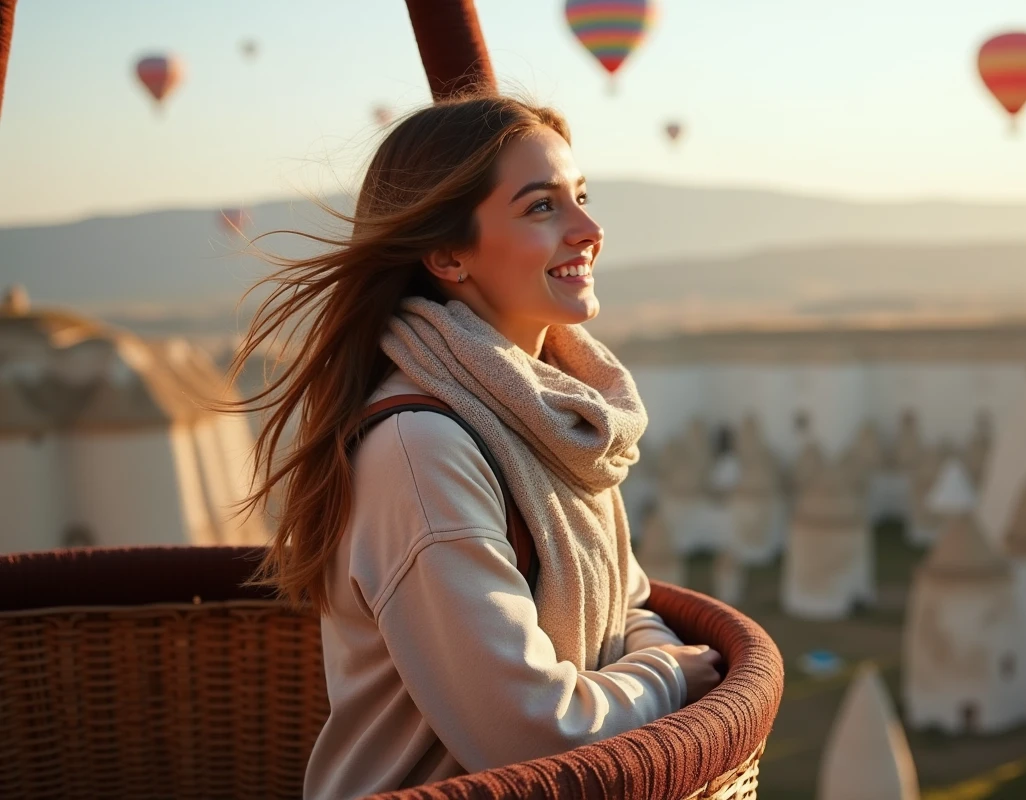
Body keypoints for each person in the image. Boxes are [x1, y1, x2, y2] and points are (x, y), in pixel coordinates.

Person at [221, 94, 723, 799]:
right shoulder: (422, 451)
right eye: (542, 207)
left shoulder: (560, 419)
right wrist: (670, 675)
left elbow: (629, 605)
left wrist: (647, 659)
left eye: (579, 196)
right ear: (448, 255)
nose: (589, 228)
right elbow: (529, 736)